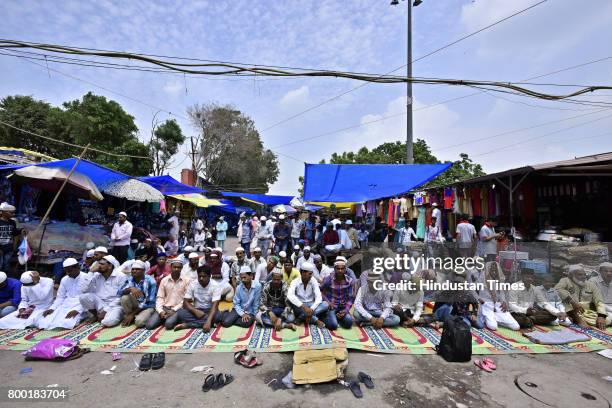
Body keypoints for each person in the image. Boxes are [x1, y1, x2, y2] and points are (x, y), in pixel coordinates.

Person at [38, 258, 87, 330]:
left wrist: (78, 310)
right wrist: (52, 308)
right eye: (66, 271)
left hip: (80, 305)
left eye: (69, 271)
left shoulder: (86, 277)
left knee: (68, 323)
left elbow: (89, 297)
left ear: (77, 267)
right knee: (45, 321)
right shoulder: (64, 279)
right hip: (66, 305)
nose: (68, 273)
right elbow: (60, 297)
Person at [556, 264, 609, 329]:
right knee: (565, 298)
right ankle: (577, 319)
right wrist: (573, 302)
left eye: (584, 274)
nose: (584, 277)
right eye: (580, 274)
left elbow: (599, 301)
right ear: (571, 276)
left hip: (586, 312)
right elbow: (558, 290)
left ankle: (574, 318)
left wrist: (601, 316)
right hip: (571, 309)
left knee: (607, 318)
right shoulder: (565, 281)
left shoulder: (591, 285)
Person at [79, 256, 127, 327]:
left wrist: (106, 310)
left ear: (110, 266)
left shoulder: (121, 276)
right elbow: (83, 290)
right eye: (98, 264)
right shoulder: (96, 275)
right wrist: (91, 272)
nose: (98, 266)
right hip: (100, 303)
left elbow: (121, 297)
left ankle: (107, 316)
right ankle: (96, 315)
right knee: (83, 297)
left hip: (115, 306)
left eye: (102, 264)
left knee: (108, 322)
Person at [471, 261, 519, 331]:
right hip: (486, 305)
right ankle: (489, 318)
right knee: (493, 327)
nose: (494, 271)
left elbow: (502, 293)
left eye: (495, 270)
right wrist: (478, 298)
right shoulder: (482, 278)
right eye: (492, 270)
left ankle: (494, 318)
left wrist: (504, 302)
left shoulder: (499, 280)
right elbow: (471, 289)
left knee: (516, 327)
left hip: (498, 306)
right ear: (488, 270)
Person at [174, 265, 223, 332]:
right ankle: (211, 323)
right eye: (199, 276)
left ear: (209, 276)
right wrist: (195, 311)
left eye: (204, 276)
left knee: (218, 316)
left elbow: (215, 305)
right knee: (180, 313)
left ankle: (188, 325)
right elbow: (185, 302)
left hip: (210, 310)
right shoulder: (193, 284)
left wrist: (208, 321)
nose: (201, 278)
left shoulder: (215, 285)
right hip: (196, 310)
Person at [146, 258, 190, 330]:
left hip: (178, 308)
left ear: (181, 268)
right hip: (165, 307)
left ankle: (171, 318)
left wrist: (174, 310)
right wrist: (160, 311)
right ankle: (165, 317)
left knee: (168, 325)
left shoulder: (186, 280)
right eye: (174, 267)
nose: (176, 269)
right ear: (171, 267)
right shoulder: (164, 280)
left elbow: (186, 299)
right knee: (149, 326)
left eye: (178, 267)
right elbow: (160, 297)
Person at [116, 260, 157, 327]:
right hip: (137, 304)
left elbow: (149, 302)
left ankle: (132, 316)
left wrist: (132, 314)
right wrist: (130, 289)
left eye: (137, 269)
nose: (134, 271)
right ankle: (131, 316)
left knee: (139, 322)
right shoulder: (130, 279)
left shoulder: (151, 281)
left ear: (143, 271)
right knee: (124, 298)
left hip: (148, 306)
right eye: (133, 269)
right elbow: (119, 293)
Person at [287, 262, 328, 328]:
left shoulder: (313, 280)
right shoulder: (295, 281)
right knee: (293, 303)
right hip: (300, 306)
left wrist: (311, 309)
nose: (311, 276)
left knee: (325, 304)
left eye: (311, 273)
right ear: (302, 272)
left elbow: (318, 297)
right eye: (309, 274)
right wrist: (303, 307)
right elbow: (290, 295)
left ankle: (301, 318)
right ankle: (316, 320)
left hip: (311, 305)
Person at [320, 259, 354, 330]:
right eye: (338, 268)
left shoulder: (349, 281)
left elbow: (350, 298)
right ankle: (324, 316)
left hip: (342, 308)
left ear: (345, 269)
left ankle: (336, 317)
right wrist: (328, 302)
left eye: (342, 269)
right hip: (331, 307)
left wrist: (346, 311)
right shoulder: (328, 279)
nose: (340, 271)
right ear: (334, 269)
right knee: (333, 326)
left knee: (349, 323)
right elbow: (320, 291)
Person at [0, 202, 24, 272]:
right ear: (4, 212)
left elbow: (14, 232)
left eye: (13, 213)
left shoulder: (12, 222)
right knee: (0, 265)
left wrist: (21, 231)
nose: (13, 214)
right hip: (0, 247)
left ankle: (5, 279)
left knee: (6, 264)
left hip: (8, 247)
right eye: (11, 213)